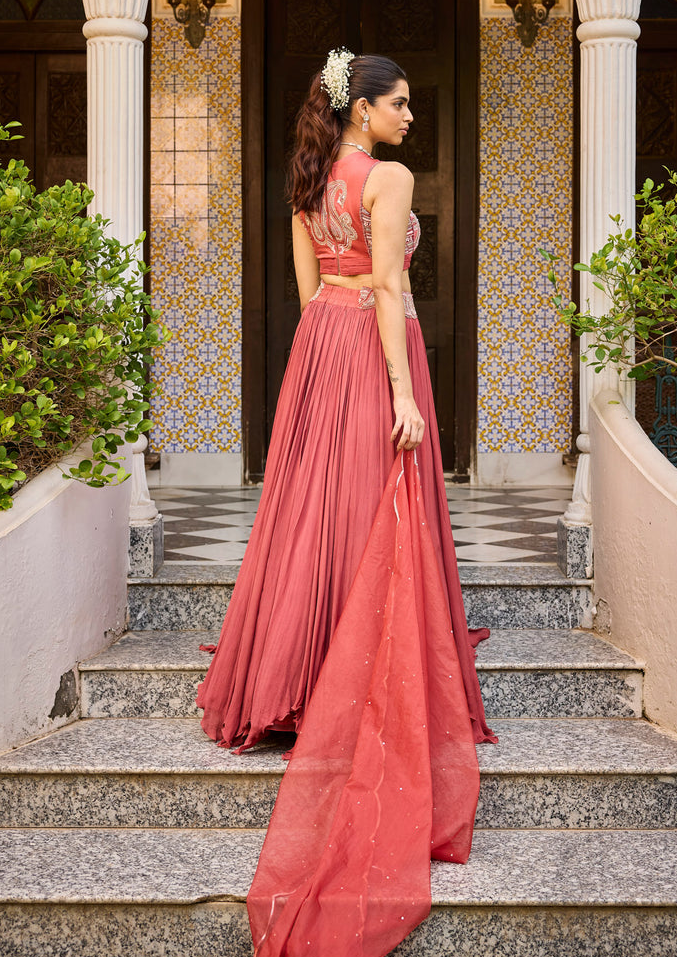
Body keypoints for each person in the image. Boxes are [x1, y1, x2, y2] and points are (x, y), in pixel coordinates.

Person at [196, 49, 494, 752]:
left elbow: (309, 291)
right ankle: (354, 680)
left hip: (322, 339)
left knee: (315, 502)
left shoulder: (310, 176)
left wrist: (327, 347)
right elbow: (389, 287)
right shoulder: (387, 176)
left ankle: (299, 669)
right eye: (401, 104)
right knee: (370, 497)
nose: (410, 117)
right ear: (363, 108)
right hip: (374, 341)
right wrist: (401, 391)